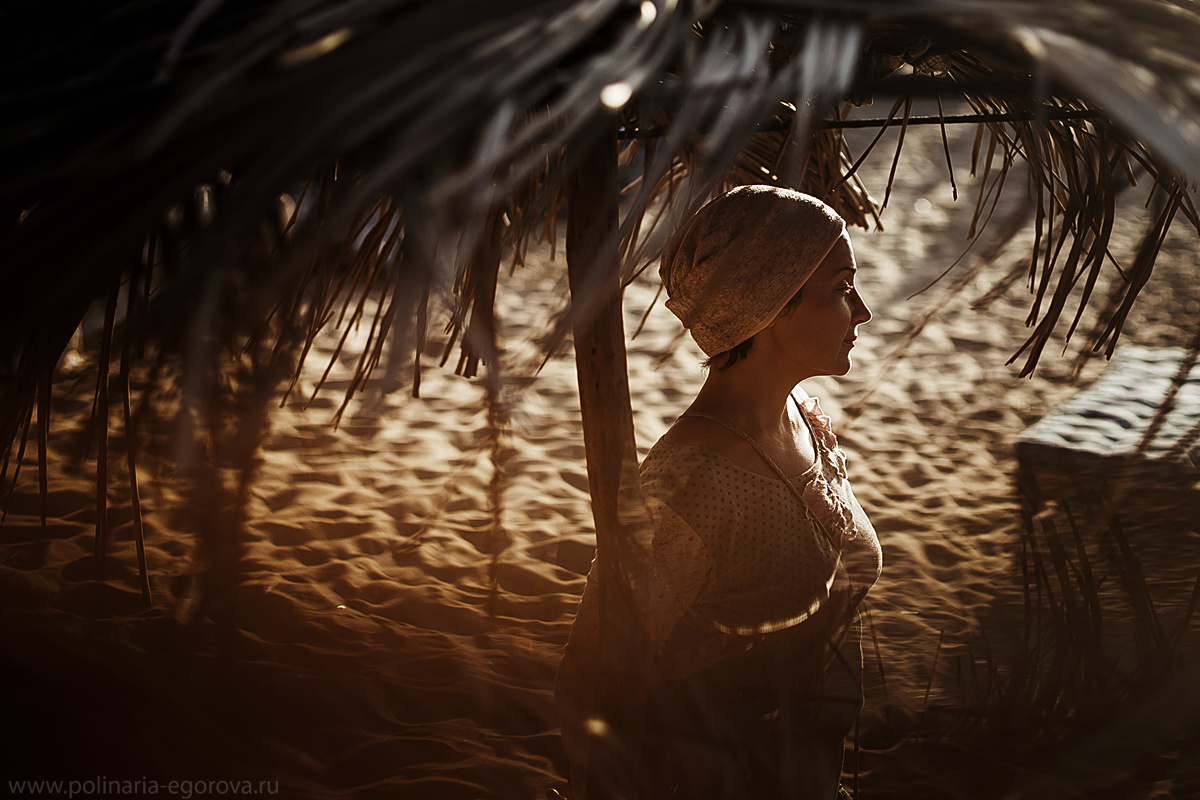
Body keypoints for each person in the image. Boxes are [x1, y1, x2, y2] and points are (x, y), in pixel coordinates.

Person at [556, 185, 882, 800]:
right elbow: (593, 675)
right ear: (771, 306)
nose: (861, 310)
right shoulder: (693, 484)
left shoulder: (802, 417)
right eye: (841, 289)